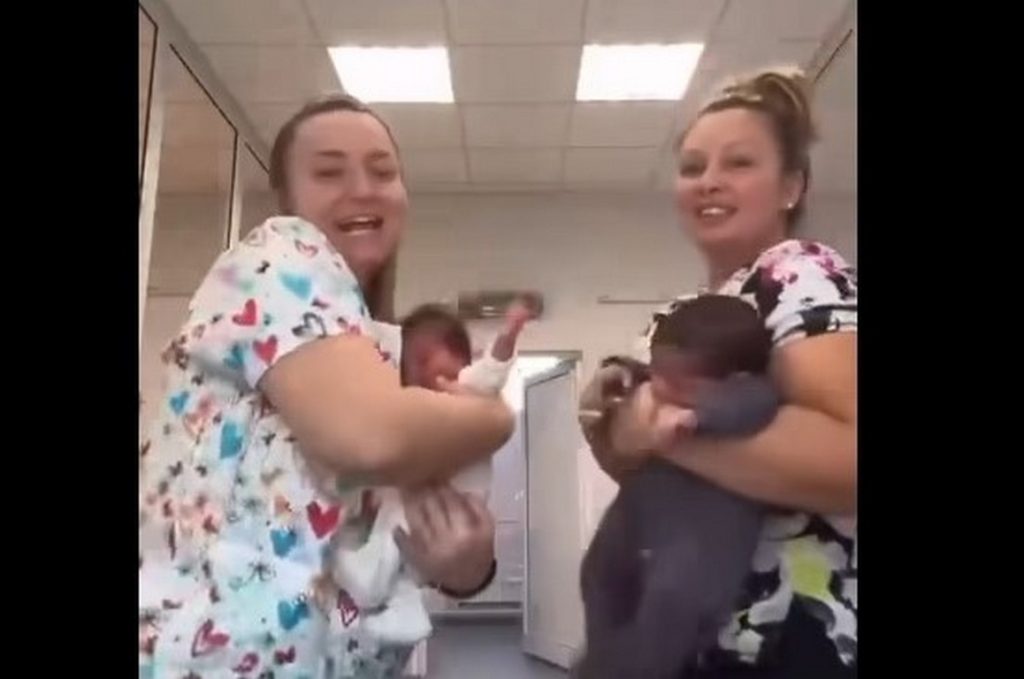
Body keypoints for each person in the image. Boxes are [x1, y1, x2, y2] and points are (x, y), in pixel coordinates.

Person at [138, 94, 514, 678]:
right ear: (289, 201)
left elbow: (384, 529)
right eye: (329, 172)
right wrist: (496, 420)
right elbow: (373, 439)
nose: (363, 189)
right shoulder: (275, 257)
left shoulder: (373, 347)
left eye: (382, 171)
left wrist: (467, 568)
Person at [580, 68, 857, 679]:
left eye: (739, 163)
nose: (709, 181)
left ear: (791, 186)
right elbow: (633, 457)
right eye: (692, 167)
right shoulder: (687, 312)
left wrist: (659, 428)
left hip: (788, 638)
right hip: (697, 636)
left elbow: (849, 459)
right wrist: (619, 425)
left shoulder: (797, 271)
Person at [575, 295, 781, 678]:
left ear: (732, 380)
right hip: (641, 509)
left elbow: (756, 405)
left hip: (702, 535)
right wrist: (625, 375)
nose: (660, 387)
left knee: (671, 600)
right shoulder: (665, 386)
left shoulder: (750, 394)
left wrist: (696, 418)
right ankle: (600, 659)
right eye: (657, 372)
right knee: (597, 573)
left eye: (678, 382)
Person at [329, 301, 531, 646]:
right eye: (419, 362)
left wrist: (508, 336)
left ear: (464, 364)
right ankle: (398, 608)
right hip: (418, 500)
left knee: (392, 544)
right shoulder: (398, 400)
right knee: (395, 544)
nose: (433, 378)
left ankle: (369, 589)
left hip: (454, 503)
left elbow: (494, 369)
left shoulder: (468, 391)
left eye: (446, 365)